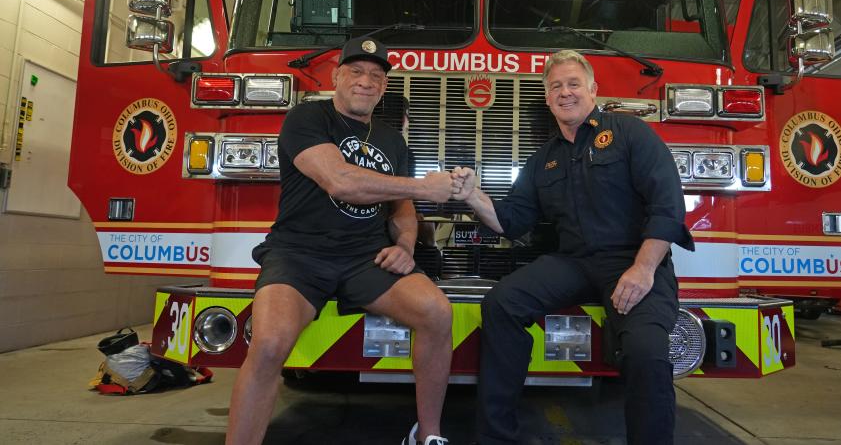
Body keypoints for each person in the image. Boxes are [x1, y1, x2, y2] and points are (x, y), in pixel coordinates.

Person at [452, 49, 694, 445]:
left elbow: (667, 204)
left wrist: (644, 268)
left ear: (593, 90)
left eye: (573, 84)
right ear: (547, 99)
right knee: (502, 303)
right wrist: (473, 195)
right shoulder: (543, 160)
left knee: (646, 350)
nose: (565, 93)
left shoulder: (631, 134)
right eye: (555, 87)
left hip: (633, 261)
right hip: (575, 263)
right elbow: (511, 221)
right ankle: (496, 437)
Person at [226, 37, 459, 445]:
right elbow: (341, 181)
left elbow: (401, 209)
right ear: (336, 76)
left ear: (384, 87)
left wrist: (404, 247)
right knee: (269, 344)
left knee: (437, 312)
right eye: (355, 71)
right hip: (298, 254)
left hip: (363, 258)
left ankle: (428, 435)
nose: (365, 81)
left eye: (375, 75)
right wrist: (426, 186)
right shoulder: (307, 119)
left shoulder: (392, 141)